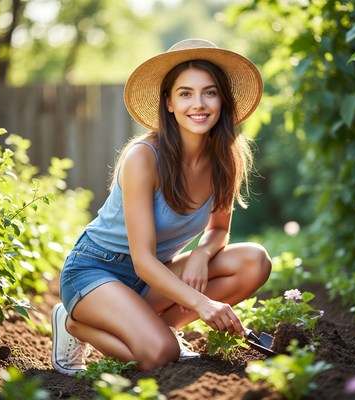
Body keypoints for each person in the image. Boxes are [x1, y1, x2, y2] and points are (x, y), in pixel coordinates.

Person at [51, 38, 272, 375]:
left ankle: (145, 325)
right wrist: (202, 302)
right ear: (168, 102)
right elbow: (142, 260)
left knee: (254, 261)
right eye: (185, 93)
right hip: (97, 271)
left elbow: (218, 229)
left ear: (222, 100)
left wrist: (200, 254)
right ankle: (75, 324)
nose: (198, 104)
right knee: (159, 355)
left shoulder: (226, 159)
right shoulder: (144, 157)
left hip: (155, 279)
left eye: (209, 92)